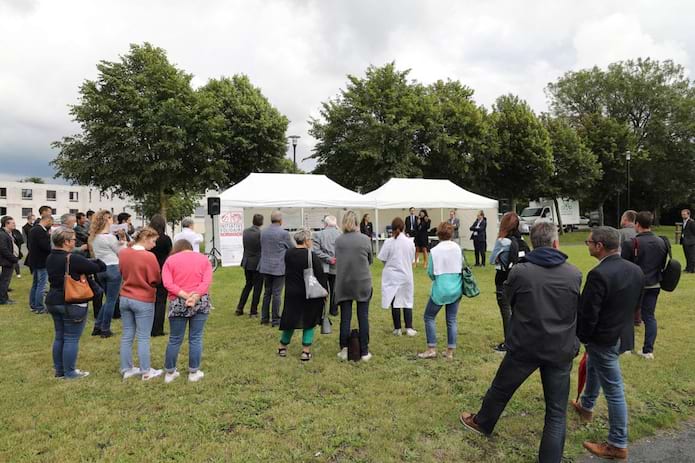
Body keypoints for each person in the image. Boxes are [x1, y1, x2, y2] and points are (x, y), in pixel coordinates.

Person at [460, 222, 582, 463]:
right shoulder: (573, 273)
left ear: (533, 242)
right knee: (556, 413)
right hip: (559, 346)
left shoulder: (521, 272)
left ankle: (483, 422)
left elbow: (510, 301)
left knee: (501, 388)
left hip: (527, 343)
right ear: (556, 243)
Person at [573, 227, 644, 461]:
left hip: (604, 338)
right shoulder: (635, 270)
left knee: (614, 389)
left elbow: (588, 312)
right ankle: (587, 406)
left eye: (589, 242)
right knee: (594, 366)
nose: (588, 245)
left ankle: (617, 443)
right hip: (620, 334)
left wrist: (583, 336)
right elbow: (637, 304)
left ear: (599, 246)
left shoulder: (598, 274)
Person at [45, 227, 106, 379]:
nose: (75, 242)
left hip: (54, 300)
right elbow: (98, 267)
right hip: (72, 301)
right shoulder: (73, 259)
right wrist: (95, 260)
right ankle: (70, 372)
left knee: (60, 336)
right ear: (66, 242)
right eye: (73, 240)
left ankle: (59, 371)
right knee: (71, 338)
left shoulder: (50, 257)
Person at [162, 239, 213, 383]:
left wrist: (184, 295)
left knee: (175, 338)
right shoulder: (204, 259)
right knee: (196, 338)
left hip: (177, 300)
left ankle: (170, 372)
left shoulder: (170, 261)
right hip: (200, 300)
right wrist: (195, 295)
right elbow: (206, 281)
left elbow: (167, 283)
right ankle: (193, 372)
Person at [620, 211, 668, 359]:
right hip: (654, 284)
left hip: (634, 285)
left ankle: (627, 348)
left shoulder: (631, 243)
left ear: (637, 224)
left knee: (627, 316)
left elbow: (624, 266)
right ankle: (648, 351)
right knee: (649, 317)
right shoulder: (662, 242)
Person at [118, 227, 162, 381]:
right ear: (144, 239)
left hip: (125, 297)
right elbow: (155, 278)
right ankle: (146, 371)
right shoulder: (149, 257)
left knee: (127, 335)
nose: (154, 244)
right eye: (153, 241)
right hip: (142, 298)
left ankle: (126, 368)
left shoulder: (123, 252)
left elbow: (121, 271)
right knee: (143, 336)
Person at [277, 229, 328, 361]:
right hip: (308, 292)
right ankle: (305, 351)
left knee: (290, 320)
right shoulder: (311, 256)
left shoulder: (288, 254)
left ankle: (282, 347)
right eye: (310, 239)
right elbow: (320, 275)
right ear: (306, 241)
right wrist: (324, 291)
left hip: (291, 291)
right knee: (309, 320)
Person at [417, 222, 462, 360]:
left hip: (441, 288)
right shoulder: (457, 248)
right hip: (456, 287)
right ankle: (449, 352)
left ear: (438, 234)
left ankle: (431, 348)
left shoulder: (435, 250)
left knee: (429, 317)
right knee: (451, 319)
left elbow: (430, 272)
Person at [335, 211, 373, 362]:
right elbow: (370, 260)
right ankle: (364, 351)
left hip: (344, 282)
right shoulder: (365, 239)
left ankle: (344, 349)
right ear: (357, 223)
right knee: (363, 316)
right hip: (362, 281)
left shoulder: (339, 240)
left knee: (345, 317)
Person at [489, 212, 528, 353]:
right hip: (521, 280)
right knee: (518, 311)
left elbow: (492, 260)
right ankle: (520, 339)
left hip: (504, 279)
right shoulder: (522, 241)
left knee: (506, 311)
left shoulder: (503, 242)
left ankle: (509, 342)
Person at [90, 210, 126, 338]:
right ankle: (105, 328)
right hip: (113, 268)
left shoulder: (94, 237)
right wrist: (123, 239)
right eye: (111, 219)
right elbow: (121, 252)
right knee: (111, 300)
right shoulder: (109, 237)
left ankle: (98, 326)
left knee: (108, 300)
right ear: (107, 220)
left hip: (100, 269)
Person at [378, 217, 416, 336]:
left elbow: (383, 258)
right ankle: (409, 327)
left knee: (395, 302)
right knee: (407, 300)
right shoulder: (410, 242)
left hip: (392, 276)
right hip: (406, 274)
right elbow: (411, 258)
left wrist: (390, 266)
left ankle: (397, 328)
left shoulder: (389, 242)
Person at [259, 211, 294, 327]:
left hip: (265, 266)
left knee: (267, 293)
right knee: (277, 294)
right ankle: (275, 319)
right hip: (278, 267)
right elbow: (292, 248)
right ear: (280, 220)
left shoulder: (263, 232)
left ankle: (264, 318)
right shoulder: (283, 233)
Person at [148, 214, 172, 336]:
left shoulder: (147, 239)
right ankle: (157, 328)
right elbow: (170, 254)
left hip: (148, 271)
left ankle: (147, 326)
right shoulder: (166, 239)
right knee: (161, 301)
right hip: (162, 270)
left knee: (148, 300)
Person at [312, 215, 341, 317]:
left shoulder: (318, 234)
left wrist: (328, 258)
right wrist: (333, 258)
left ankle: (321, 310)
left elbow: (315, 251)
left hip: (322, 266)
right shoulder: (341, 234)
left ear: (325, 223)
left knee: (322, 289)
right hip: (337, 265)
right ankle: (334, 310)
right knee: (335, 289)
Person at [236, 214, 264, 317]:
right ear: (261, 222)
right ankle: (253, 311)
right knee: (257, 288)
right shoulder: (261, 234)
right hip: (257, 263)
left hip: (247, 262)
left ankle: (240, 308)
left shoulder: (245, 232)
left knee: (248, 285)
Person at [27, 214, 53, 313]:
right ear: (47, 220)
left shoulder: (33, 230)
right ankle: (39, 307)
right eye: (51, 222)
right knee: (41, 285)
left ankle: (33, 305)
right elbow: (45, 246)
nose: (51, 224)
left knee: (35, 284)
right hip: (41, 261)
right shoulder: (40, 231)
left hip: (34, 260)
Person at [0, 216, 19, 305]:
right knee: (5, 281)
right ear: (6, 224)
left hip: (9, 260)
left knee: (5, 281)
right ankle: (3, 299)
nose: (14, 224)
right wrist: (13, 258)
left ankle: (5, 297)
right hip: (7, 261)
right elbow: (3, 249)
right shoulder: (2, 234)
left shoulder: (9, 233)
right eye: (12, 223)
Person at [681, 208, 695, 273]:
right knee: (686, 255)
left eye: (684, 214)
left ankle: (691, 269)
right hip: (685, 241)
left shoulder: (691, 222)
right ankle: (687, 268)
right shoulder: (684, 222)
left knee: (691, 256)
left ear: (688, 214)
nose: (683, 216)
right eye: (682, 214)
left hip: (691, 242)